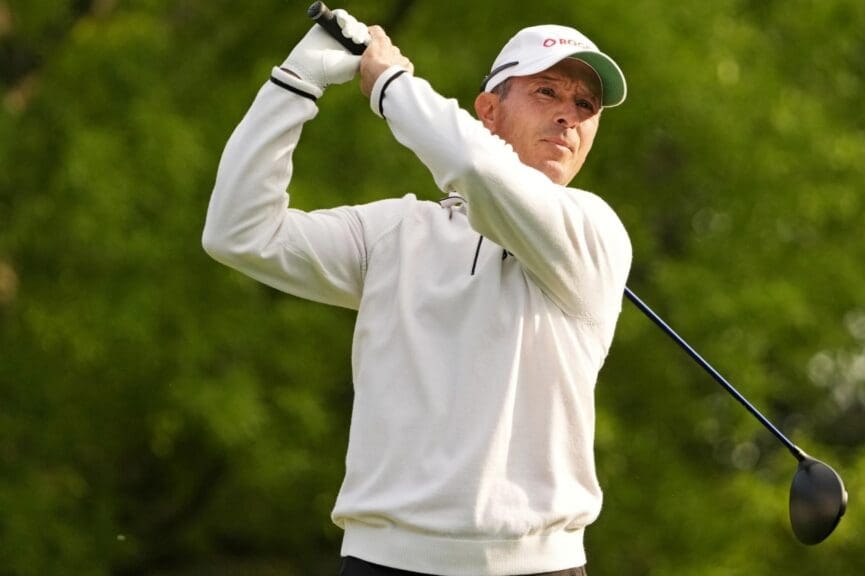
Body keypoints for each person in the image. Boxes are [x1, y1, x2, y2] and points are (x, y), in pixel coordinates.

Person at [202, 9, 631, 576]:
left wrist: (390, 83)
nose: (567, 117)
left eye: (585, 105)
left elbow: (476, 167)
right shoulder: (396, 233)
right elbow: (239, 231)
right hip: (383, 562)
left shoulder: (594, 230)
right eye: (546, 91)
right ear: (488, 111)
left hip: (538, 568)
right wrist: (295, 82)